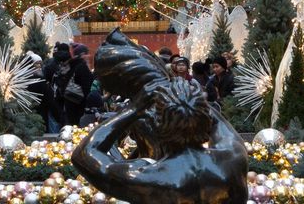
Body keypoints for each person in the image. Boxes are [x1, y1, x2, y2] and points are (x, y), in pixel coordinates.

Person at [72, 75, 248, 204]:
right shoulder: (232, 159)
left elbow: (84, 154)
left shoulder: (149, 176)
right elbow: (219, 124)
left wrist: (135, 108)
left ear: (159, 125)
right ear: (204, 118)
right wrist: (190, 98)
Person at [24, 51, 53, 131]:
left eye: (40, 63)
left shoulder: (39, 77)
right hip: (39, 109)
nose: (39, 66)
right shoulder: (39, 78)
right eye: (37, 63)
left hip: (38, 108)